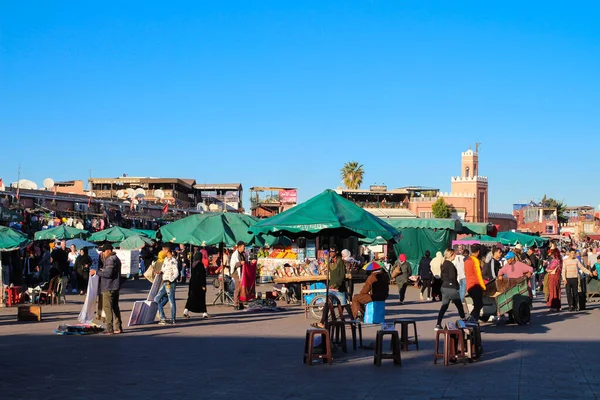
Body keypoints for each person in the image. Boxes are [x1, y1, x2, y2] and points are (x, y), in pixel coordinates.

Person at [91, 243, 122, 335]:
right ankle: (118, 327)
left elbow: (108, 274)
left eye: (104, 251)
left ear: (108, 250)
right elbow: (112, 272)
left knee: (107, 307)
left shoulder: (110, 260)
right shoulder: (116, 258)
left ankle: (109, 328)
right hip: (116, 286)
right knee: (115, 307)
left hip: (108, 287)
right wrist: (103, 271)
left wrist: (96, 272)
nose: (103, 253)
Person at [435, 249, 466, 330]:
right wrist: (457, 286)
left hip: (444, 287)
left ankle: (438, 324)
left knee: (444, 306)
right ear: (451, 255)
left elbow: (442, 276)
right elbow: (452, 277)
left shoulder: (444, 264)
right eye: (454, 255)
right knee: (459, 306)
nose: (455, 256)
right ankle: (464, 321)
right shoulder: (451, 265)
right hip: (451, 288)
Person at [155, 245, 180, 324]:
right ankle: (162, 316)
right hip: (165, 281)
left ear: (167, 250)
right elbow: (163, 269)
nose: (162, 252)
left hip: (169, 282)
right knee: (157, 299)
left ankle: (173, 318)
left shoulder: (173, 260)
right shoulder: (165, 259)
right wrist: (160, 271)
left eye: (163, 250)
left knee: (171, 300)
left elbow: (176, 272)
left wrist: (171, 279)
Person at [183, 251, 209, 319]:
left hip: (192, 284)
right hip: (199, 285)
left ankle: (186, 311)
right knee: (202, 299)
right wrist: (203, 285)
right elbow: (202, 276)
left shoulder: (193, 264)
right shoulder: (200, 265)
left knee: (191, 298)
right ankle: (204, 313)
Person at [465, 244, 485, 323]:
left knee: (477, 304)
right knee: (479, 304)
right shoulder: (475, 261)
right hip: (476, 285)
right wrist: (483, 286)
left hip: (469, 285)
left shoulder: (467, 260)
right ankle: (471, 321)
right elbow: (479, 275)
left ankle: (473, 320)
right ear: (478, 252)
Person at [230, 241, 246, 310]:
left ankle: (241, 303)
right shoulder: (235, 254)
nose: (244, 248)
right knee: (237, 288)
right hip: (236, 273)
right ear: (239, 247)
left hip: (242, 273)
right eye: (243, 247)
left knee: (242, 288)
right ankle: (235, 304)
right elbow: (234, 264)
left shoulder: (242, 254)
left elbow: (245, 262)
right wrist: (240, 263)